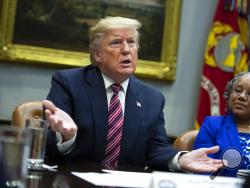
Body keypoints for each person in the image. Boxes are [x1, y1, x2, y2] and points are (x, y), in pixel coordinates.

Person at [43, 16, 223, 172]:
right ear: (97, 54)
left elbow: (156, 149)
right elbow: (48, 144)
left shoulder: (152, 98)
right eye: (116, 42)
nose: (126, 49)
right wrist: (67, 136)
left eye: (131, 42)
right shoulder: (69, 83)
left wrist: (181, 159)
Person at [193, 72, 250, 177]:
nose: (242, 96)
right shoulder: (212, 125)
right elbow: (202, 170)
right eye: (237, 90)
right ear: (229, 94)